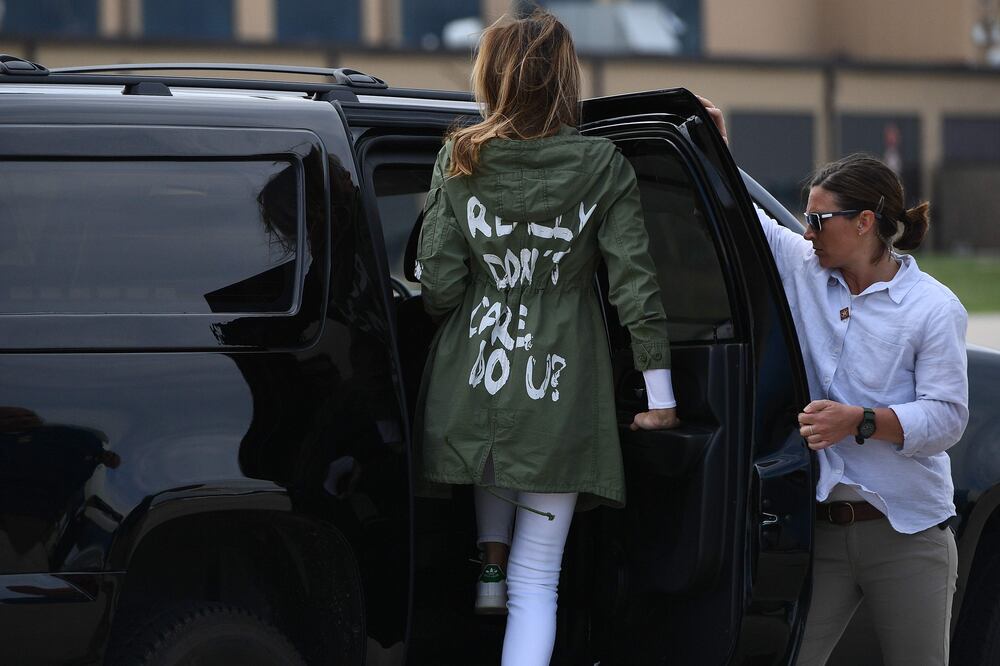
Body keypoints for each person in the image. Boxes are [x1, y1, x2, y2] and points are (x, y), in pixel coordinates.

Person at [414, 10, 679, 665]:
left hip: (473, 376)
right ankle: (504, 571)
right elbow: (635, 285)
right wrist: (659, 392)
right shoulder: (603, 165)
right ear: (565, 77)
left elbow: (439, 286)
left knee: (493, 449)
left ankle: (488, 562)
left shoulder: (459, 156)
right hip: (561, 385)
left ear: (491, 75)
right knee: (542, 586)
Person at [701, 100, 968, 665]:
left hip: (908, 533)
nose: (808, 230)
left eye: (820, 219)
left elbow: (947, 418)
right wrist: (715, 151)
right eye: (806, 217)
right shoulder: (805, 266)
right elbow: (745, 221)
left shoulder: (932, 308)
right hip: (820, 531)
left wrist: (860, 421)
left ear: (864, 222)